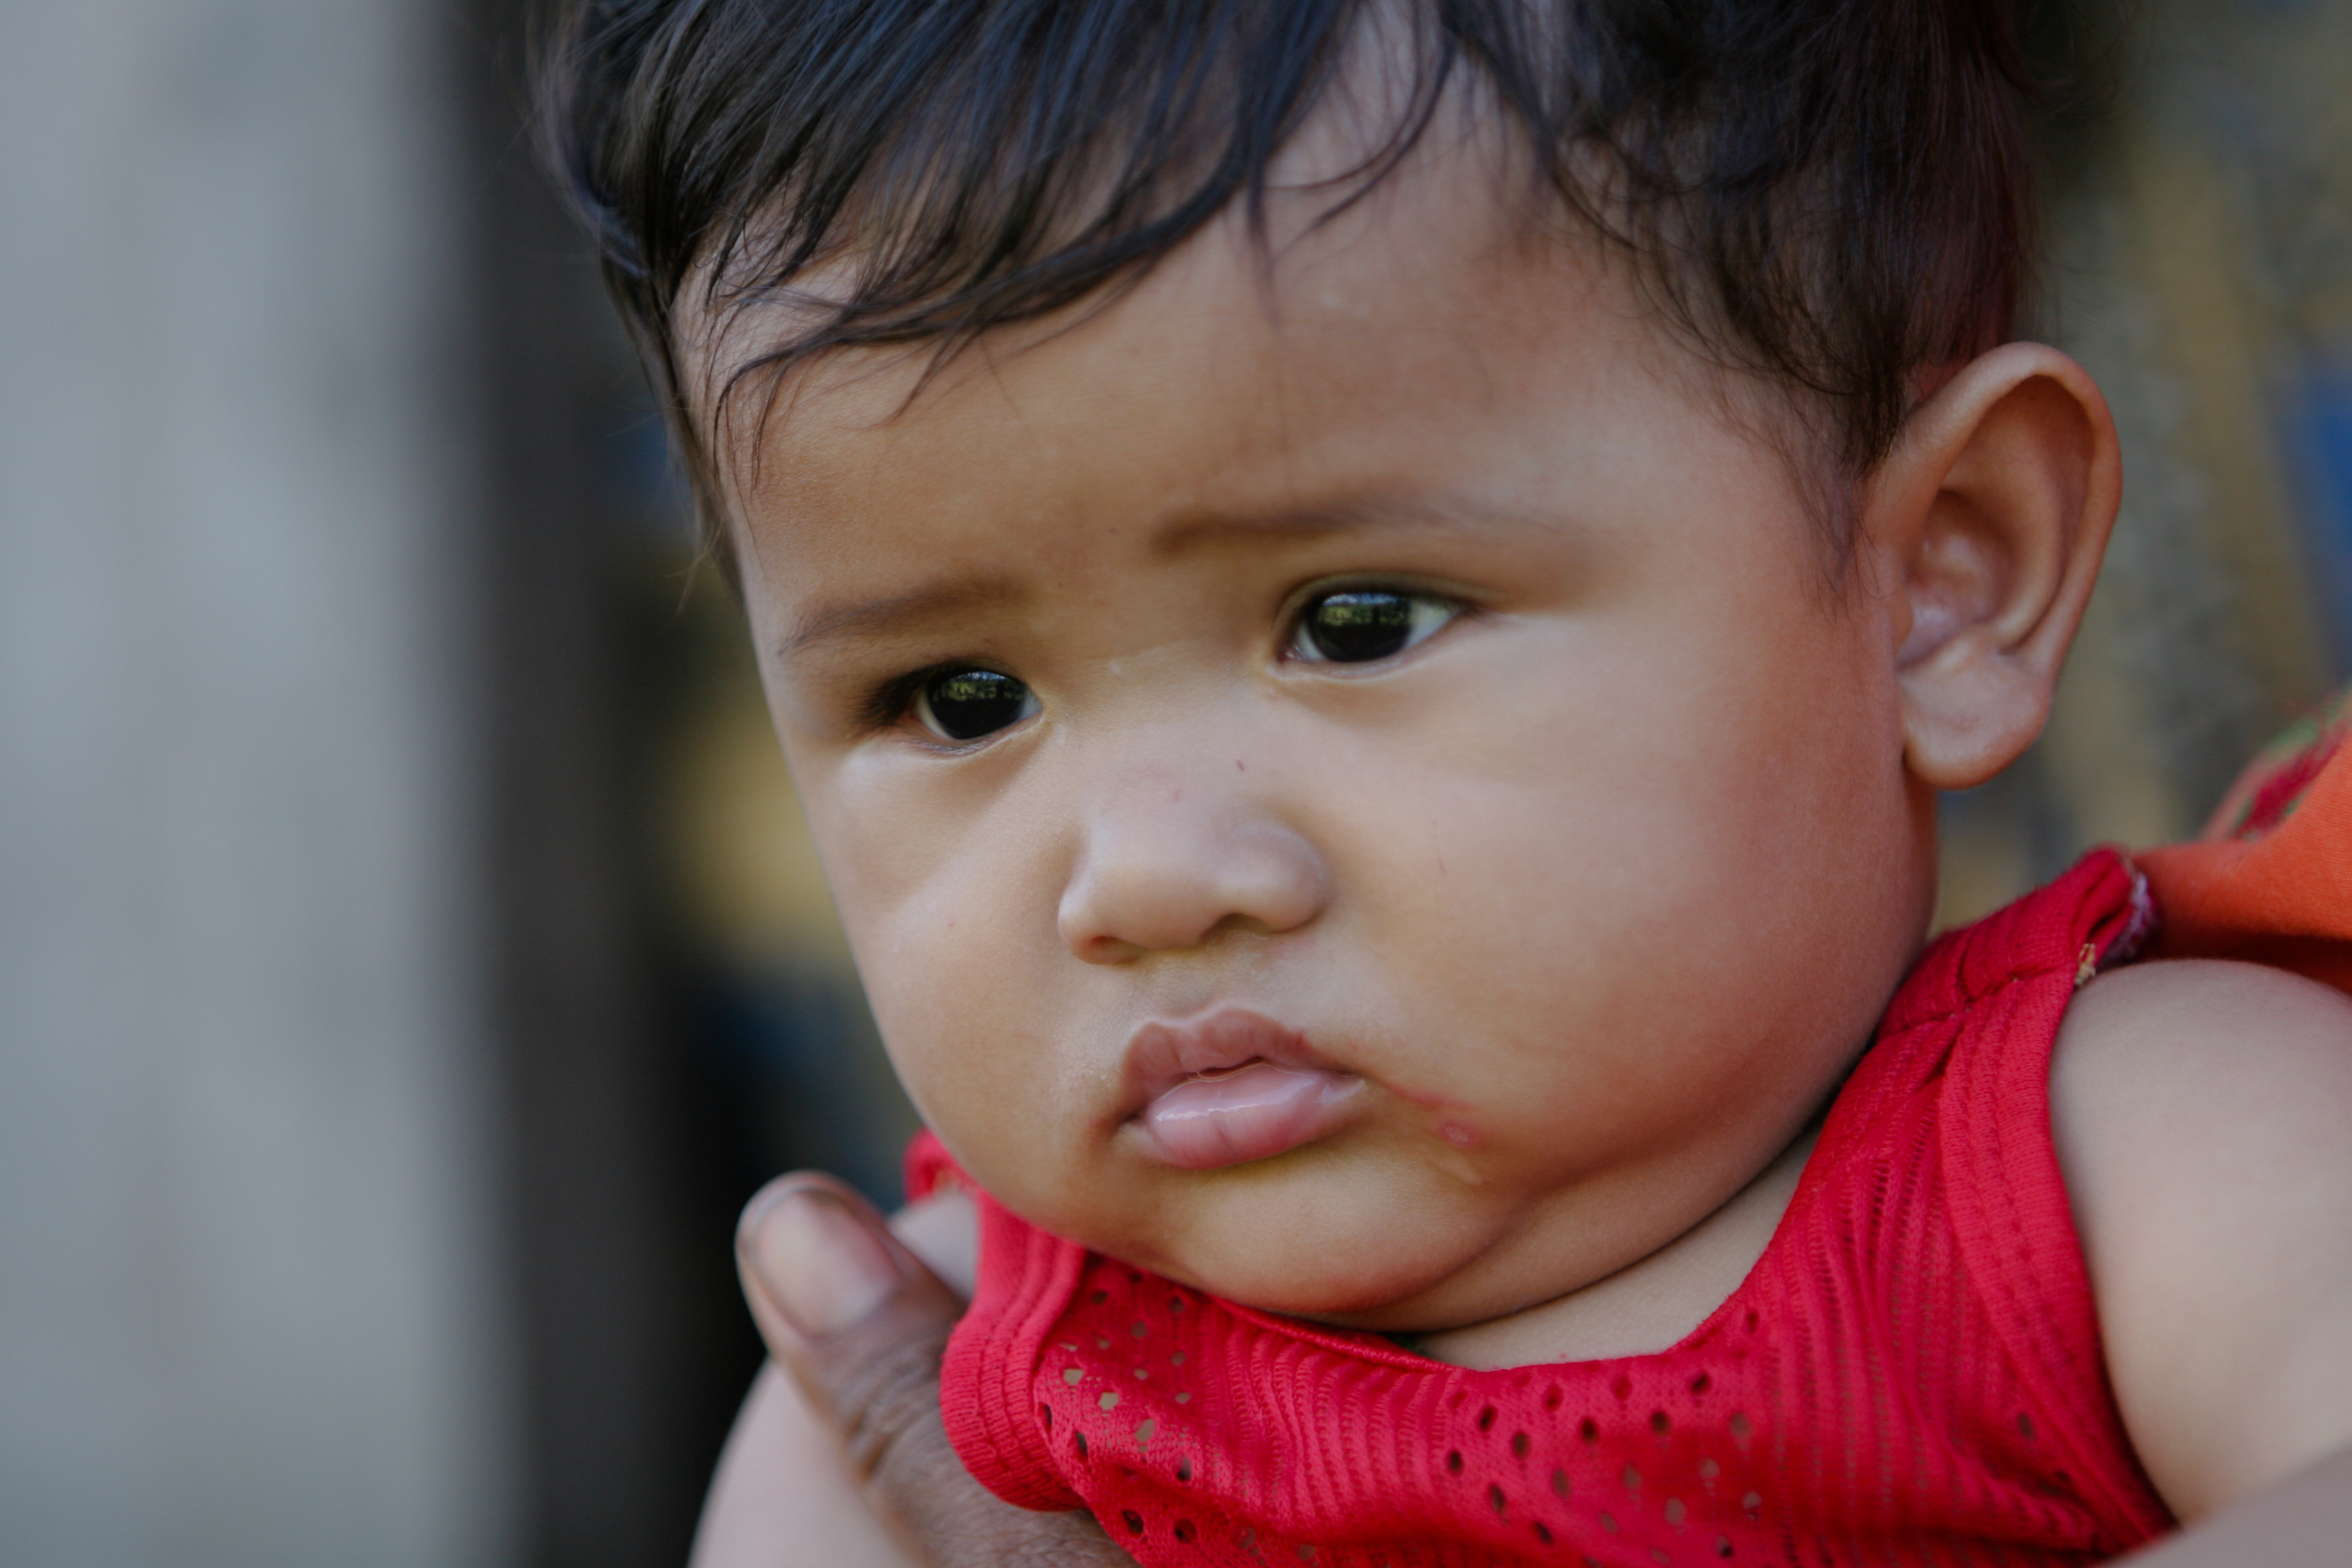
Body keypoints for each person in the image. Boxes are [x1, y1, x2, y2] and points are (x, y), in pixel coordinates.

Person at [539, 2, 2352, 1562]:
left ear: (1941, 576)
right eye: (959, 696)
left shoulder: (2121, 1172)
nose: (1148, 879)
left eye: (1356, 619)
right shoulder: (949, 1380)